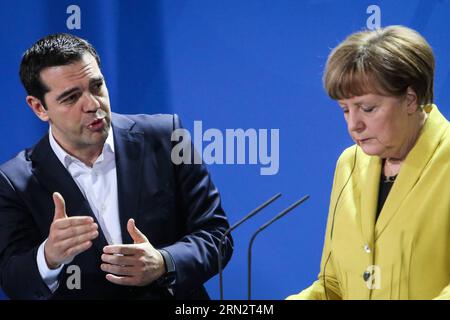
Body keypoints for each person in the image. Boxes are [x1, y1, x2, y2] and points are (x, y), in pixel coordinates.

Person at [0, 33, 233, 299]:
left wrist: (164, 262)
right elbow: (13, 281)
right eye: (71, 98)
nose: (92, 104)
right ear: (39, 107)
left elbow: (218, 236)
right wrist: (49, 256)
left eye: (96, 86)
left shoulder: (167, 137)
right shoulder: (13, 181)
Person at [287, 25, 450, 300]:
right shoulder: (348, 164)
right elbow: (332, 285)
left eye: (367, 108)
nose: (354, 125)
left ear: (410, 100)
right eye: (345, 110)